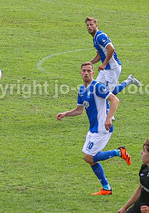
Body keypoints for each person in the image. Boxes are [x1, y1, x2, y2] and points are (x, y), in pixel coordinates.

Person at [55, 62, 132, 196]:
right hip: (93, 129)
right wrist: (66, 114)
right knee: (90, 159)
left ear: (93, 73)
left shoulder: (97, 87)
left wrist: (109, 118)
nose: (86, 73)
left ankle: (119, 152)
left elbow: (115, 100)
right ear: (80, 73)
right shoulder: (81, 90)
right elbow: (79, 110)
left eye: (88, 71)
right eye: (84, 71)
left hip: (103, 128)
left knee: (89, 157)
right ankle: (106, 188)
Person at [85, 16, 139, 94]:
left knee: (108, 93)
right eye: (87, 25)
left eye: (91, 25)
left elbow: (111, 49)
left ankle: (129, 80)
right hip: (105, 69)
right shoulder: (95, 38)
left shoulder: (100, 37)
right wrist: (90, 63)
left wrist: (104, 64)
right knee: (95, 89)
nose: (89, 27)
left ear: (96, 25)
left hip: (113, 68)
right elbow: (99, 55)